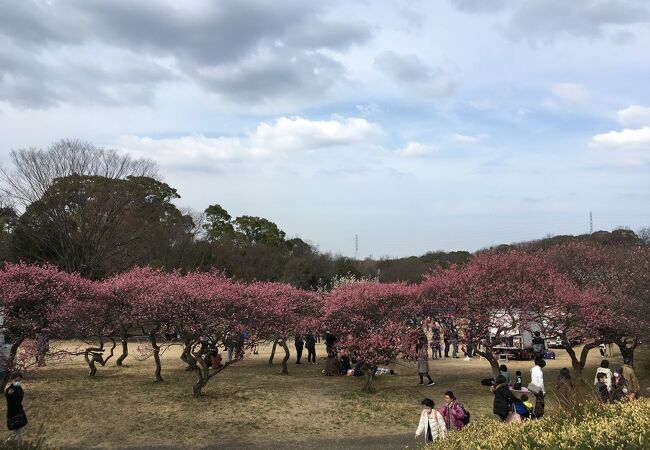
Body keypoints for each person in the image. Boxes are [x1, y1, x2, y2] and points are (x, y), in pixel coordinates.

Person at [5, 372, 27, 443]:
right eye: (16, 380)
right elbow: (9, 393)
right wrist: (10, 393)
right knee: (18, 430)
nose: (18, 382)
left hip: (19, 410)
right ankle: (18, 444)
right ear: (12, 380)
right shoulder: (10, 389)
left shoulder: (19, 388)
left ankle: (14, 441)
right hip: (13, 413)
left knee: (21, 428)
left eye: (19, 380)